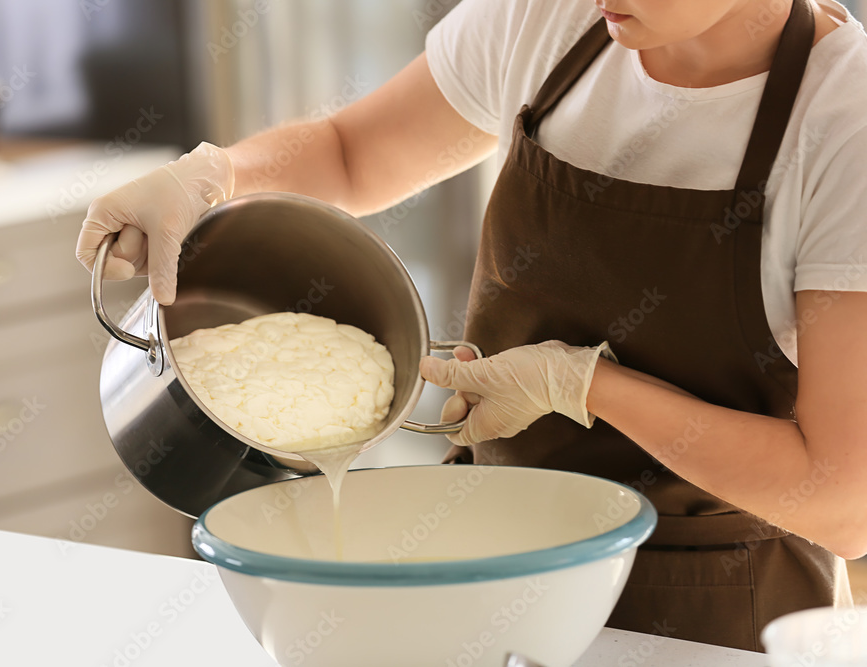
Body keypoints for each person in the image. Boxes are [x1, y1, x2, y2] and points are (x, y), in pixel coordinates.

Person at [77, 0, 867, 650]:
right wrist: (209, 178)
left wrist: (584, 385)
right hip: (488, 571)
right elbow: (352, 154)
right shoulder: (547, 20)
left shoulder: (844, 121)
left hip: (715, 609)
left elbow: (841, 499)